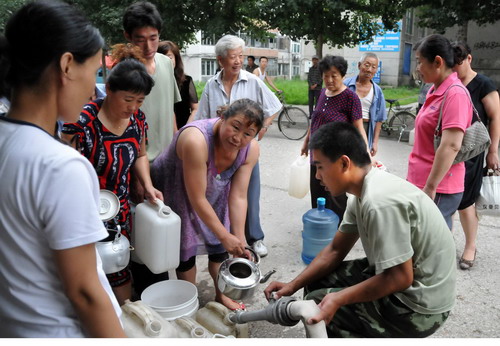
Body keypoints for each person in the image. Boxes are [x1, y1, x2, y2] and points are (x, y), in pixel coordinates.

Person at [0, 1, 125, 337]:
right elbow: (84, 293)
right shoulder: (60, 165)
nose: (94, 90)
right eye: (95, 72)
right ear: (67, 65)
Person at [265, 121, 456, 338]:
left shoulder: (379, 202)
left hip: (420, 305)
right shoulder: (362, 191)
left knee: (320, 304)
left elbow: (400, 278)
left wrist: (339, 298)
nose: (317, 176)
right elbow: (336, 250)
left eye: (319, 167)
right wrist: (292, 285)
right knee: (315, 285)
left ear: (344, 163)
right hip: (405, 277)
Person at [62, 45, 163, 305]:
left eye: (139, 101)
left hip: (118, 208)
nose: (133, 107)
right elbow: (61, 152)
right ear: (109, 90)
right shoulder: (84, 119)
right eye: (128, 99)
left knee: (118, 265)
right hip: (83, 207)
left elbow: (140, 154)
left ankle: (122, 317)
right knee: (85, 270)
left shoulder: (138, 120)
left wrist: (148, 185)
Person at [152, 99, 263, 311]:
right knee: (185, 245)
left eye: (248, 134)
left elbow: (239, 196)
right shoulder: (197, 140)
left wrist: (238, 240)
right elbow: (197, 198)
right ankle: (188, 300)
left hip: (213, 189)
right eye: (235, 126)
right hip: (174, 186)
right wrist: (224, 234)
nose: (238, 138)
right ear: (223, 118)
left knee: (221, 246)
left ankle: (221, 295)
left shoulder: (250, 150)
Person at [195, 35, 282, 257]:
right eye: (233, 57)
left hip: (245, 151)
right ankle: (226, 237)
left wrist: (262, 127)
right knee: (222, 195)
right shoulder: (211, 85)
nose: (238, 61)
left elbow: (274, 106)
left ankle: (255, 238)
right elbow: (202, 118)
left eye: (240, 56)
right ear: (220, 59)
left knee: (249, 195)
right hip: (220, 152)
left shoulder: (252, 81)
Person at [122, 1, 181, 294]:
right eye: (139, 39)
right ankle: (146, 296)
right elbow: (122, 127)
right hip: (139, 164)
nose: (147, 46)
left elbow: (169, 110)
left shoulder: (167, 63)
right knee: (143, 235)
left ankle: (169, 287)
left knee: (170, 228)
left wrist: (177, 153)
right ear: (127, 37)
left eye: (153, 38)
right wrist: (134, 173)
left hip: (167, 161)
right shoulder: (124, 71)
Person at [407, 34, 473, 230]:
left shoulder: (455, 94)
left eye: (420, 62)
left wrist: (430, 186)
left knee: (430, 244)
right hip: (422, 179)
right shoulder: (434, 89)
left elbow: (451, 145)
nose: (418, 68)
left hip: (439, 187)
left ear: (437, 62)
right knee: (419, 240)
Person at [301, 55, 368, 223]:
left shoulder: (350, 98)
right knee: (317, 192)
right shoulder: (323, 92)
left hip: (335, 158)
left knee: (335, 196)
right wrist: (306, 142)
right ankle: (319, 224)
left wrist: (366, 155)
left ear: (343, 75)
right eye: (326, 76)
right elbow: (316, 119)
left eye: (334, 75)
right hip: (316, 155)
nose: (329, 80)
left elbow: (359, 129)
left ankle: (340, 230)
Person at [451, 41, 500, 269]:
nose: (455, 68)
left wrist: (493, 151)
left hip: (472, 151)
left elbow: (495, 118)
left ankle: (470, 246)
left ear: (469, 59)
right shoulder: (451, 82)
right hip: (450, 149)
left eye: (459, 63)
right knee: (447, 198)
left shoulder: (483, 84)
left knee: (465, 201)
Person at [344, 53, 387, 156]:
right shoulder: (346, 85)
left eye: (374, 67)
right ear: (359, 65)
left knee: (360, 162)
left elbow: (379, 119)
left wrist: (375, 143)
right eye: (367, 65)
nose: (369, 70)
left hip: (366, 128)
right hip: (347, 127)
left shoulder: (377, 91)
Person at [158, 40, 199, 128]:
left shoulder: (187, 80)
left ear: (176, 58)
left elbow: (195, 109)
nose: (167, 61)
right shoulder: (153, 82)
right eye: (163, 57)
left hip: (183, 128)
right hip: (162, 130)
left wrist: (187, 127)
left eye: (170, 57)